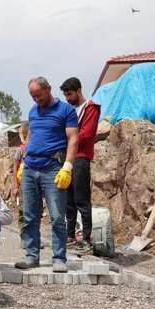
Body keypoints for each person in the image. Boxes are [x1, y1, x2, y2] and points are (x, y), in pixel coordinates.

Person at [16, 77, 78, 273]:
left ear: (49, 89)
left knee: (57, 216)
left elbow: (73, 138)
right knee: (29, 216)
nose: (36, 99)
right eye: (33, 96)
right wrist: (23, 160)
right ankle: (31, 255)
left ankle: (59, 258)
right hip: (30, 167)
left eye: (39, 95)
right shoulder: (33, 111)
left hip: (53, 168)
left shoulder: (66, 111)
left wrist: (67, 166)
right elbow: (32, 135)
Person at [60, 77, 100, 253]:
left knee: (81, 199)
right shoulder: (69, 110)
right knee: (68, 200)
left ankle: (86, 238)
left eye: (69, 94)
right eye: (65, 95)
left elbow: (86, 134)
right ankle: (69, 235)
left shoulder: (90, 108)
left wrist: (67, 138)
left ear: (78, 91)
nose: (68, 98)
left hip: (81, 157)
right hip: (67, 158)